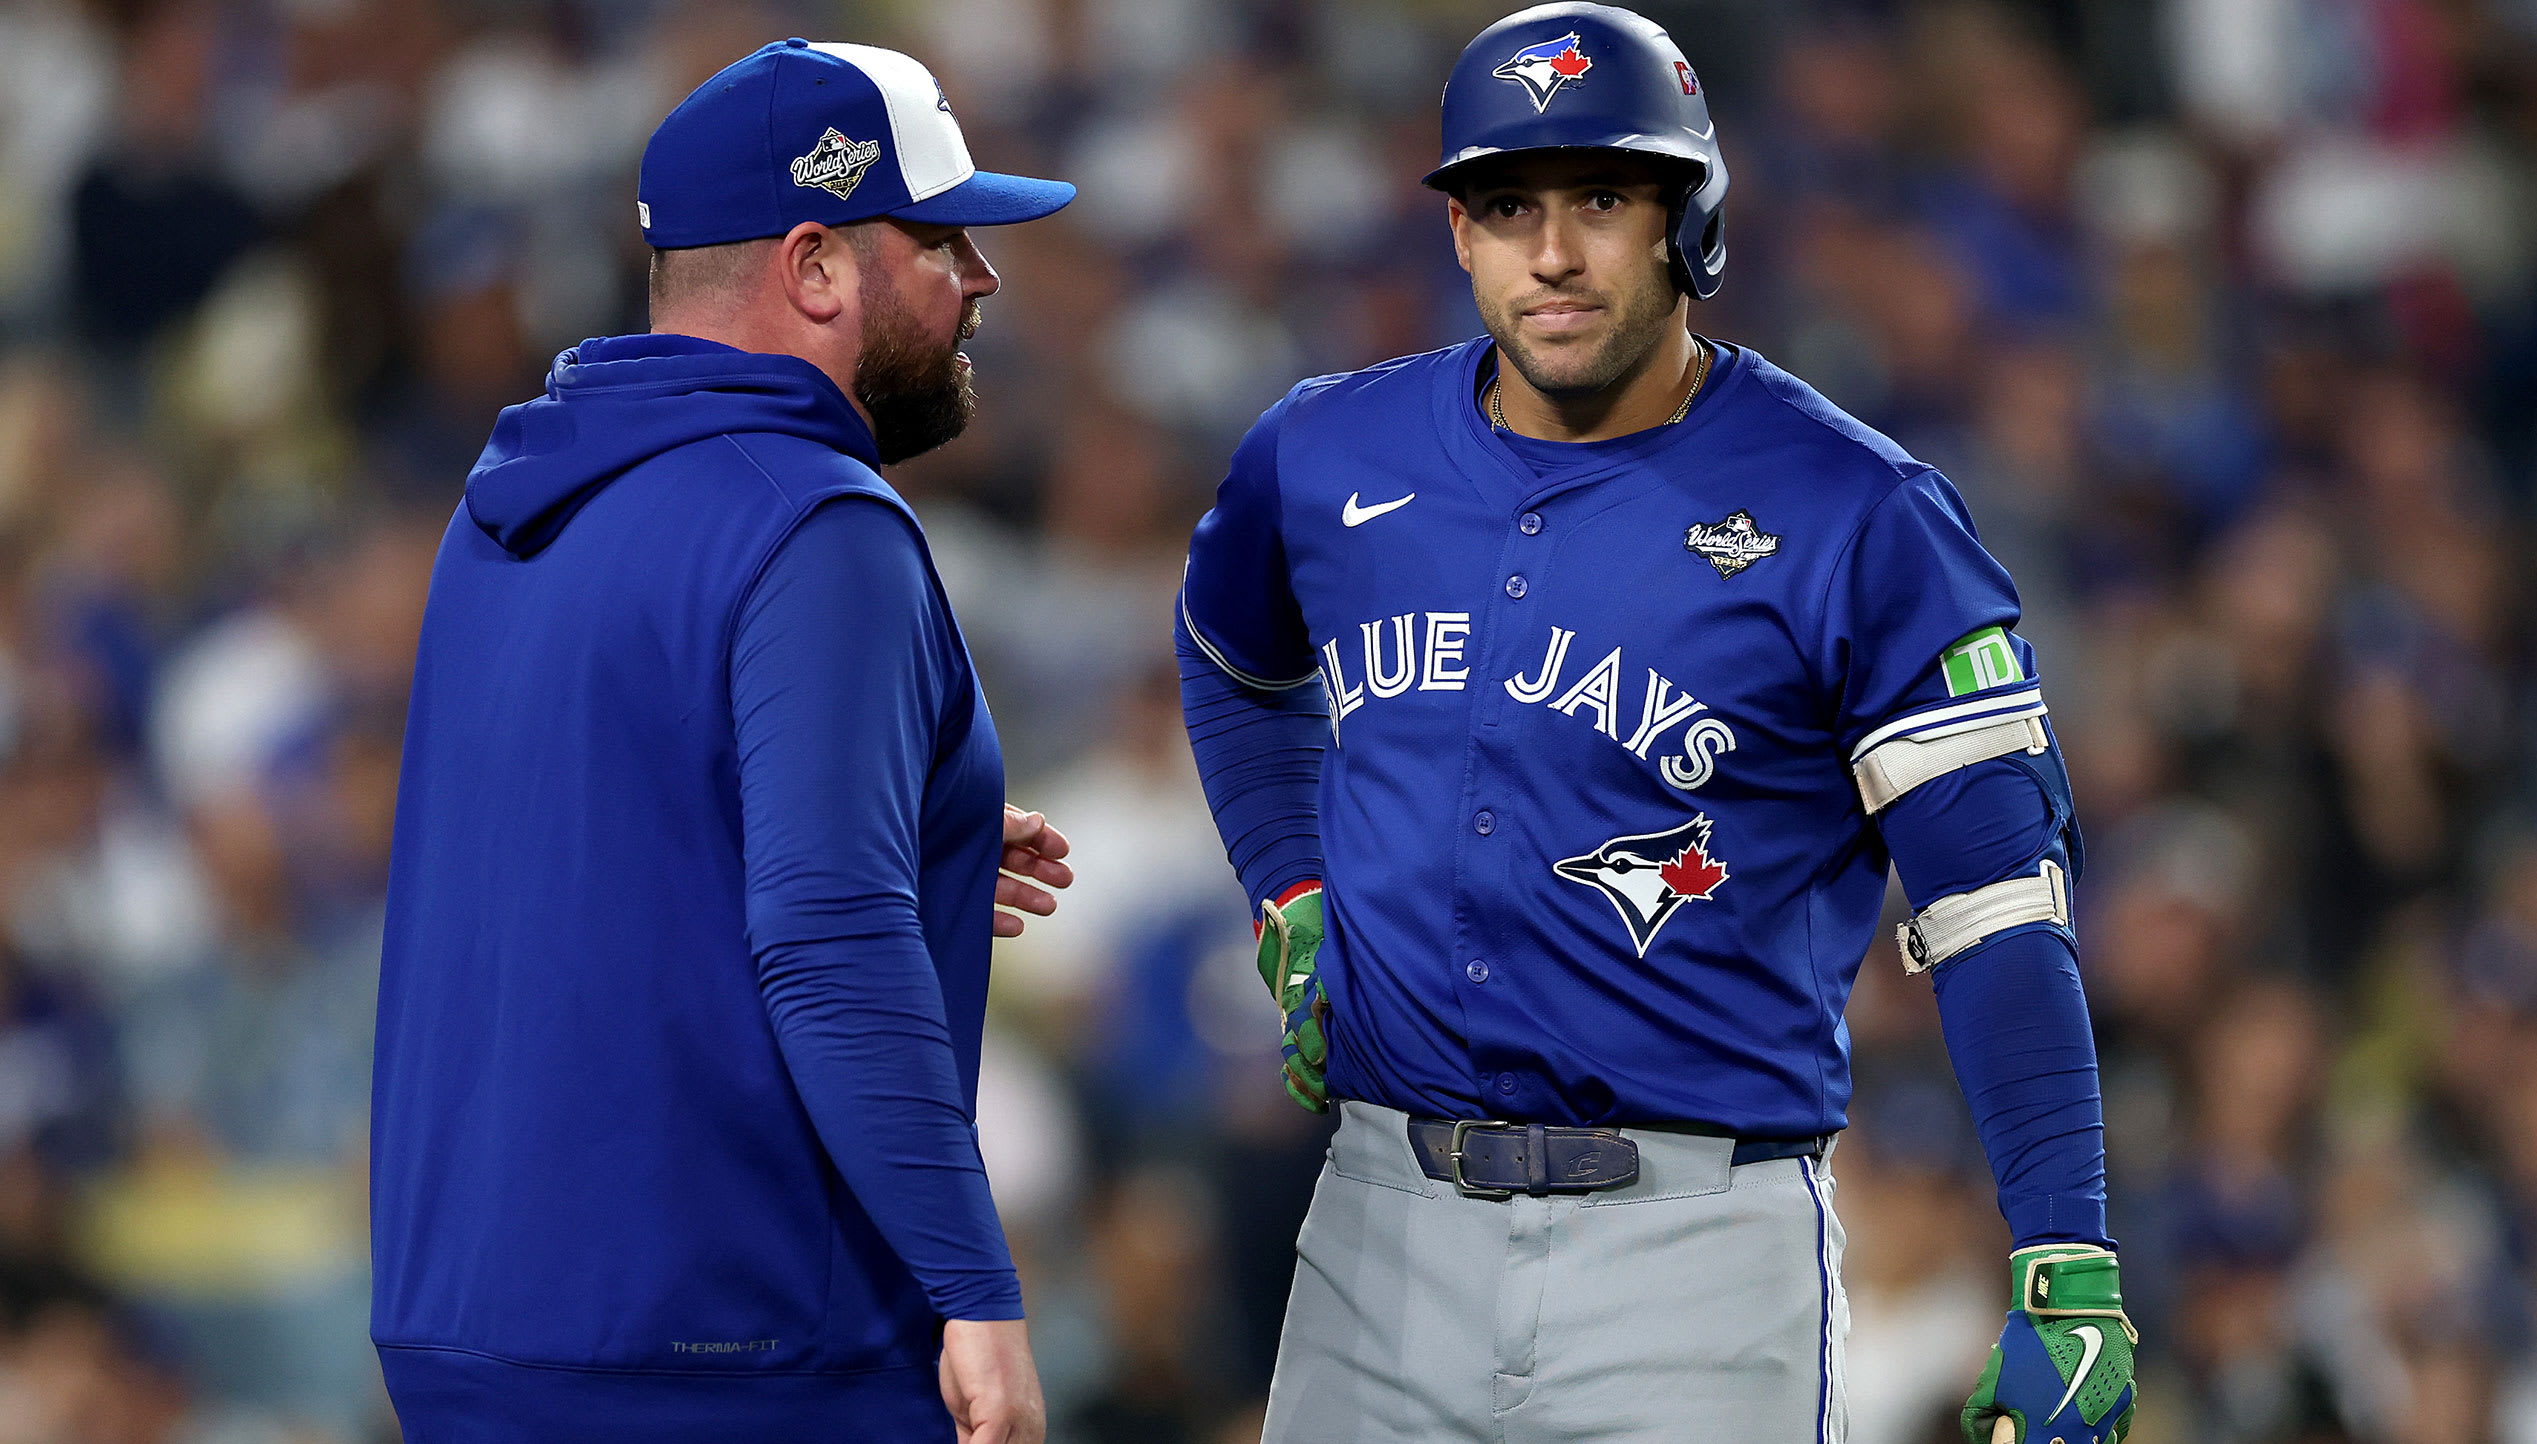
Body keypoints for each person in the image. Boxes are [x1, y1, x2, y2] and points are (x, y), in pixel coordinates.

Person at [1173, 7, 2137, 1444]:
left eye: (1600, 203)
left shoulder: (1859, 515)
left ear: (1692, 220)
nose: (1551, 254)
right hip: (1379, 1224)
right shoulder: (1323, 452)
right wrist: (1289, 887)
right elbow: (1231, 664)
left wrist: (2065, 1256)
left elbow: (1998, 905)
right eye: (1507, 206)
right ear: (1457, 232)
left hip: (1699, 1254)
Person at [372, 40, 1073, 1444]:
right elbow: (826, 935)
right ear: (816, 268)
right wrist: (975, 1287)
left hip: (469, 1335)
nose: (981, 280)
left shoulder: (509, 506)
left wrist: (904, 821)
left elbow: (573, 834)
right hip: (737, 1347)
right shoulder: (820, 521)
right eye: (939, 238)